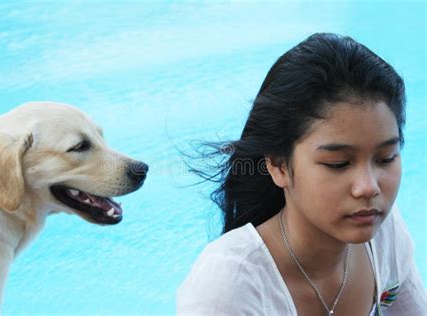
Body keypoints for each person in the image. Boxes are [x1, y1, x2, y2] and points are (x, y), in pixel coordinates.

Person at [176, 33, 426, 315]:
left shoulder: (384, 236)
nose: (368, 187)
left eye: (385, 158)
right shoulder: (228, 286)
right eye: (338, 163)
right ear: (278, 165)